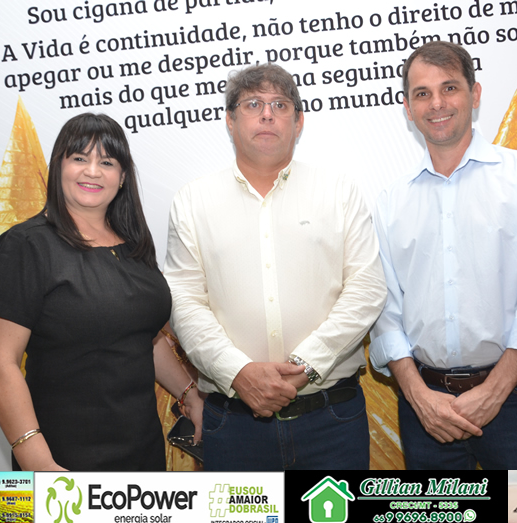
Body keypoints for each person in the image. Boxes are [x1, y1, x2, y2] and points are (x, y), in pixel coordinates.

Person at [163, 63, 387, 470]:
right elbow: (183, 302)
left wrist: (306, 366)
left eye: (280, 105)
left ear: (298, 122)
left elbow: (366, 288)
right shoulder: (193, 202)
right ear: (230, 120)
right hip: (233, 423)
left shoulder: (339, 193)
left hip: (331, 420)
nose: (267, 114)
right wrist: (238, 372)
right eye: (253, 104)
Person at [370, 41, 517, 470]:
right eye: (422, 93)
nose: (436, 103)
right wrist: (418, 395)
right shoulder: (391, 200)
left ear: (475, 94)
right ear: (407, 107)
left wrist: (494, 391)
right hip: (427, 409)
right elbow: (385, 311)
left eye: (449, 88)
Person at [0, 113, 203, 471]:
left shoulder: (133, 245)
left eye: (107, 162)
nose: (93, 171)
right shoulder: (26, 246)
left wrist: (189, 393)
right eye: (80, 158)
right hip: (63, 459)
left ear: (123, 176)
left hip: (142, 452)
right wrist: (38, 462)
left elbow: (143, 335)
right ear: (58, 166)